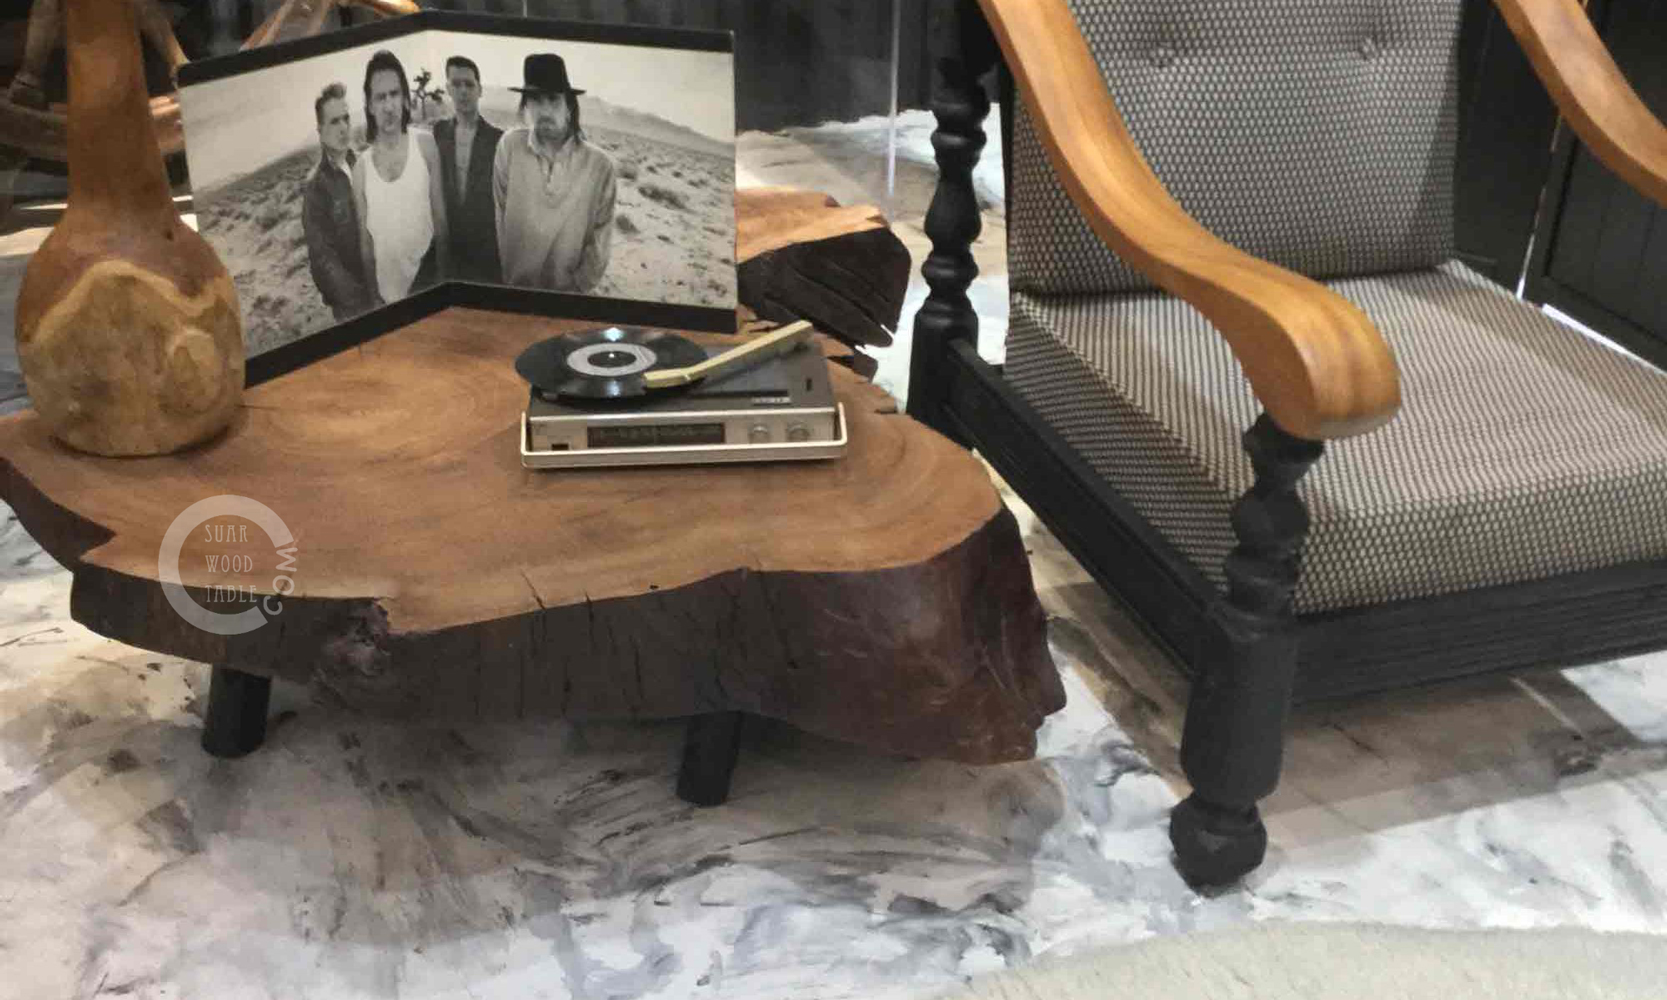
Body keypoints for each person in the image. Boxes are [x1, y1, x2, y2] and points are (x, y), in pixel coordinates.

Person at [492, 53, 617, 292]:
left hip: (569, 298)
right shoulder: (510, 147)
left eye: (553, 99)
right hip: (514, 291)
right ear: (526, 105)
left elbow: (599, 248)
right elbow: (499, 217)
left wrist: (573, 293)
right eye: (535, 99)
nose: (545, 109)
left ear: (569, 105)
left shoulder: (600, 167)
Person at [352, 49, 448, 304]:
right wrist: (374, 302)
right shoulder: (361, 169)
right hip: (387, 299)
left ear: (405, 99)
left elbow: (442, 224)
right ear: (370, 107)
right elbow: (365, 246)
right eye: (380, 97)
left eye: (394, 94)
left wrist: (444, 286)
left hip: (429, 287)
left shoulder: (426, 146)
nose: (389, 105)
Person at [301, 82, 374, 319]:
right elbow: (323, 260)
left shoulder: (364, 164)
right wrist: (360, 300)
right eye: (334, 122)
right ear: (320, 131)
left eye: (345, 119)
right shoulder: (315, 187)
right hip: (355, 306)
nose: (343, 128)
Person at [432, 55, 504, 284]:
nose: (463, 91)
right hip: (449, 249)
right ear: (448, 89)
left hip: (486, 254)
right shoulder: (439, 132)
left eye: (469, 84)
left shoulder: (498, 140)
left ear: (480, 89)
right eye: (456, 84)